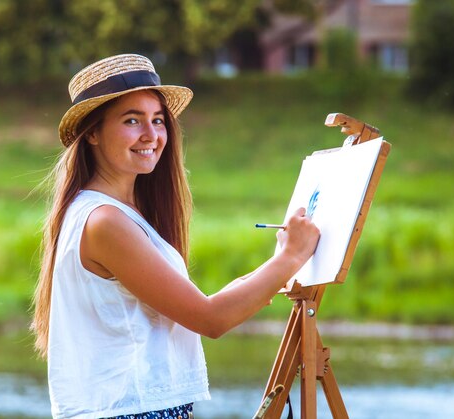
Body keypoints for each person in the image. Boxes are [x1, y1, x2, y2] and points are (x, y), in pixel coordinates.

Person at [31, 54, 320, 419]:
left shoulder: (118, 214)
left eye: (158, 120)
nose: (151, 135)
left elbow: (202, 307)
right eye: (132, 120)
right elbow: (210, 318)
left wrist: (278, 263)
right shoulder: (104, 222)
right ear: (92, 132)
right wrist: (290, 259)